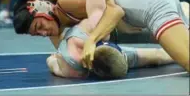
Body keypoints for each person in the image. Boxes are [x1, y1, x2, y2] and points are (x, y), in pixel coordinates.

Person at [13, 0, 189, 72]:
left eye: (39, 26)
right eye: (37, 34)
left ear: (42, 8)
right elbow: (72, 61)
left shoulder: (66, 2)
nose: (43, 33)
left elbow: (115, 11)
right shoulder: (59, 32)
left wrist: (91, 40)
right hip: (148, 20)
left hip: (153, 9)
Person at [46, 21, 174, 79]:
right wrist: (55, 58)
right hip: (89, 45)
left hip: (94, 36)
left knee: (156, 55)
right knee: (156, 56)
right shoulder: (72, 69)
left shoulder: (84, 33)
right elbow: (50, 61)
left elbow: (50, 60)